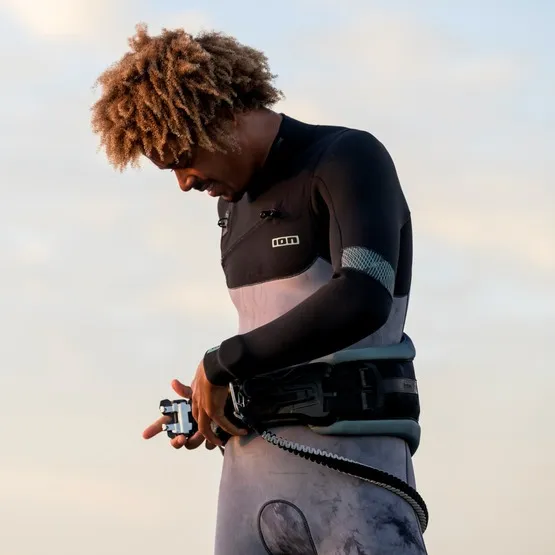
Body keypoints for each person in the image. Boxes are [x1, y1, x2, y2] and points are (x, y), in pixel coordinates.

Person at [91, 23, 428, 555]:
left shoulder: (346, 158)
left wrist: (222, 364)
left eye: (182, 157)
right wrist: (217, 400)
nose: (183, 182)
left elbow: (363, 294)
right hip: (249, 486)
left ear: (217, 114)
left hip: (356, 475)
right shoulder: (230, 210)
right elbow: (274, 334)